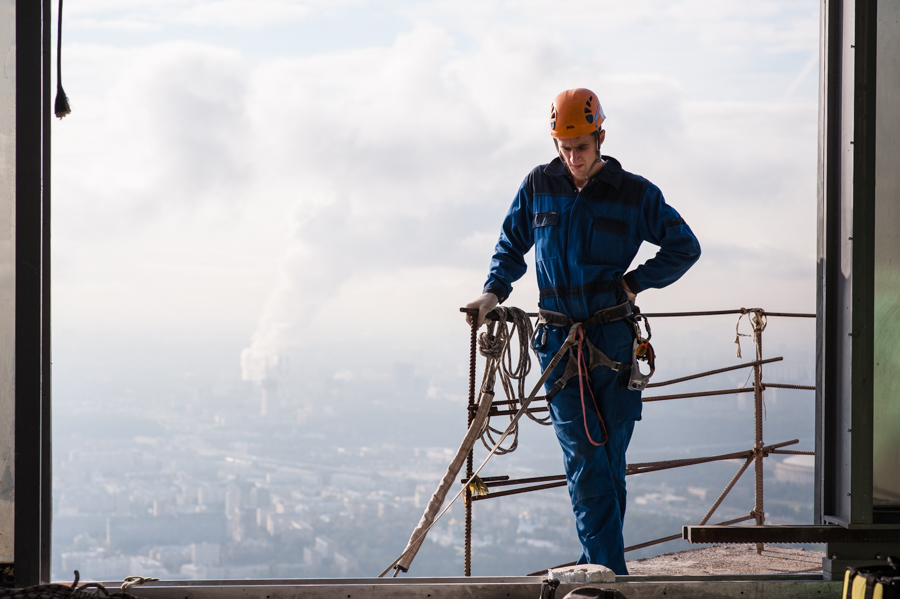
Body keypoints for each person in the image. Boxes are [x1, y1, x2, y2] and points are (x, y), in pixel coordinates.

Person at [464, 88, 701, 574]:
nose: (572, 158)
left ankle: (596, 561)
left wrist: (635, 282)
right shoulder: (538, 186)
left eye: (582, 148)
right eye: (564, 148)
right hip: (557, 345)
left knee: (609, 464)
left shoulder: (634, 193)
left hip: (611, 342)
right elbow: (512, 244)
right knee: (586, 463)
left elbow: (685, 246)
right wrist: (492, 294)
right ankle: (610, 577)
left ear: (601, 138)